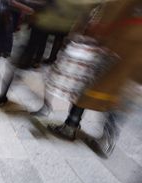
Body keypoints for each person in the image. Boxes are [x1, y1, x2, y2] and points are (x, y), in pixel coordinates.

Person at [48, 0, 142, 157]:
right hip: (133, 49)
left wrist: (98, 29)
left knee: (90, 81)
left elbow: (115, 7)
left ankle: (71, 125)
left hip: (121, 41)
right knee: (122, 91)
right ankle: (106, 137)